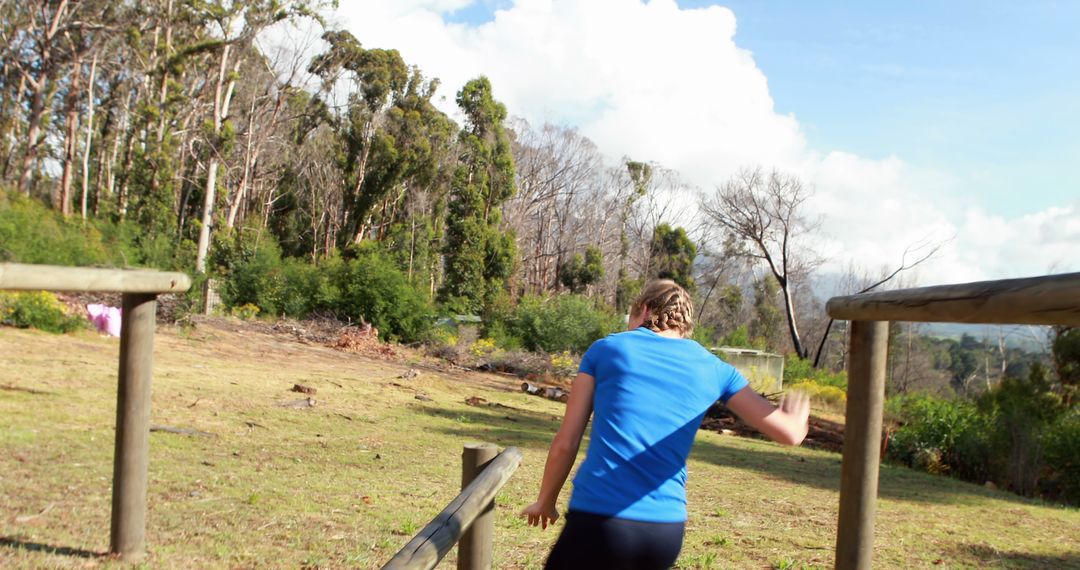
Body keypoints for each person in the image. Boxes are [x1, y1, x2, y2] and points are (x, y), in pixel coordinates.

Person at [520, 279, 810, 570]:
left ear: (644, 311)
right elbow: (789, 433)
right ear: (683, 324)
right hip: (664, 532)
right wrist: (799, 415)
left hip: (600, 520)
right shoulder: (716, 369)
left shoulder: (605, 350)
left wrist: (545, 502)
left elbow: (566, 442)